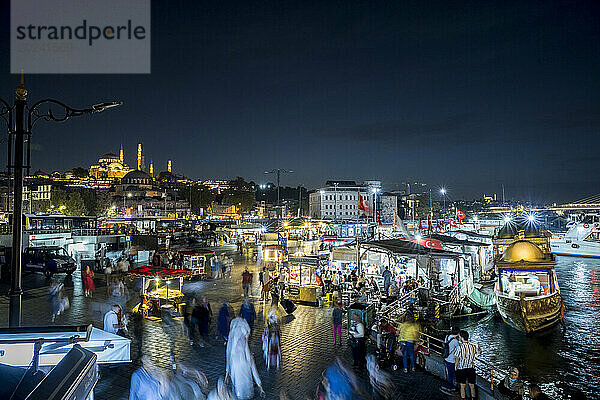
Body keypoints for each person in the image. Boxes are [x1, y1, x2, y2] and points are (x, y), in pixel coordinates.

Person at [226, 318, 265, 399]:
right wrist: (259, 385)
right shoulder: (244, 353)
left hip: (241, 379)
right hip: (241, 380)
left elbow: (228, 359)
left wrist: (260, 386)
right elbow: (253, 368)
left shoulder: (239, 352)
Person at [454, 330, 481, 400]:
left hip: (462, 368)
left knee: (462, 385)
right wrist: (479, 346)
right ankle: (473, 398)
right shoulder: (473, 347)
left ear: (462, 338)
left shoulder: (459, 348)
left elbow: (457, 358)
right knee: (472, 385)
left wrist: (455, 367)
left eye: (459, 337)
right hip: (471, 368)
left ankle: (463, 398)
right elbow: (479, 352)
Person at [440, 326, 461, 395]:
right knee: (453, 374)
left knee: (449, 373)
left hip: (446, 358)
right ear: (458, 333)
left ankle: (450, 386)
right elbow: (458, 351)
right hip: (452, 360)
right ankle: (452, 387)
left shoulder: (447, 337)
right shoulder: (455, 341)